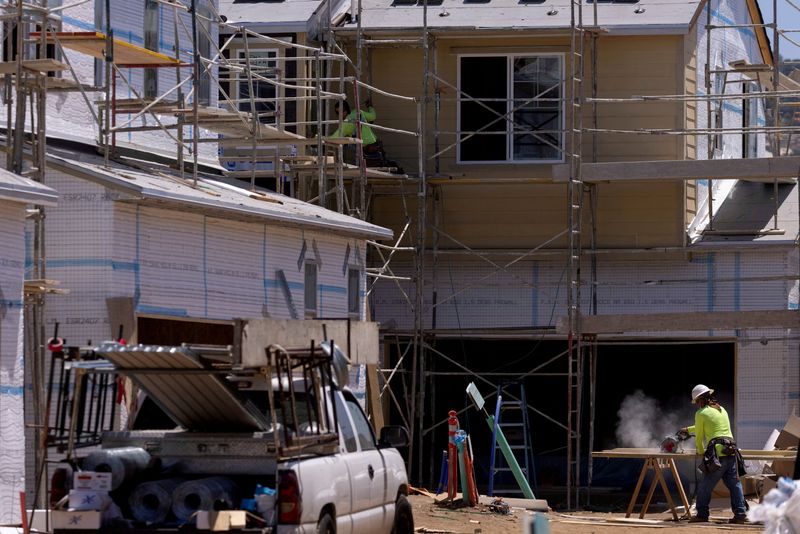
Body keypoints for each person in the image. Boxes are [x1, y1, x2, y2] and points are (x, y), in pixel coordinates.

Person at [681, 384, 747, 524]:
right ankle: (740, 515)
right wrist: (688, 429)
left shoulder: (701, 413)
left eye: (697, 402)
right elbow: (709, 426)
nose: (697, 405)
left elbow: (699, 436)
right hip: (730, 451)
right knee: (734, 484)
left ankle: (702, 515)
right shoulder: (721, 409)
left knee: (705, 486)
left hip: (717, 455)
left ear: (699, 400)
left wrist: (700, 452)